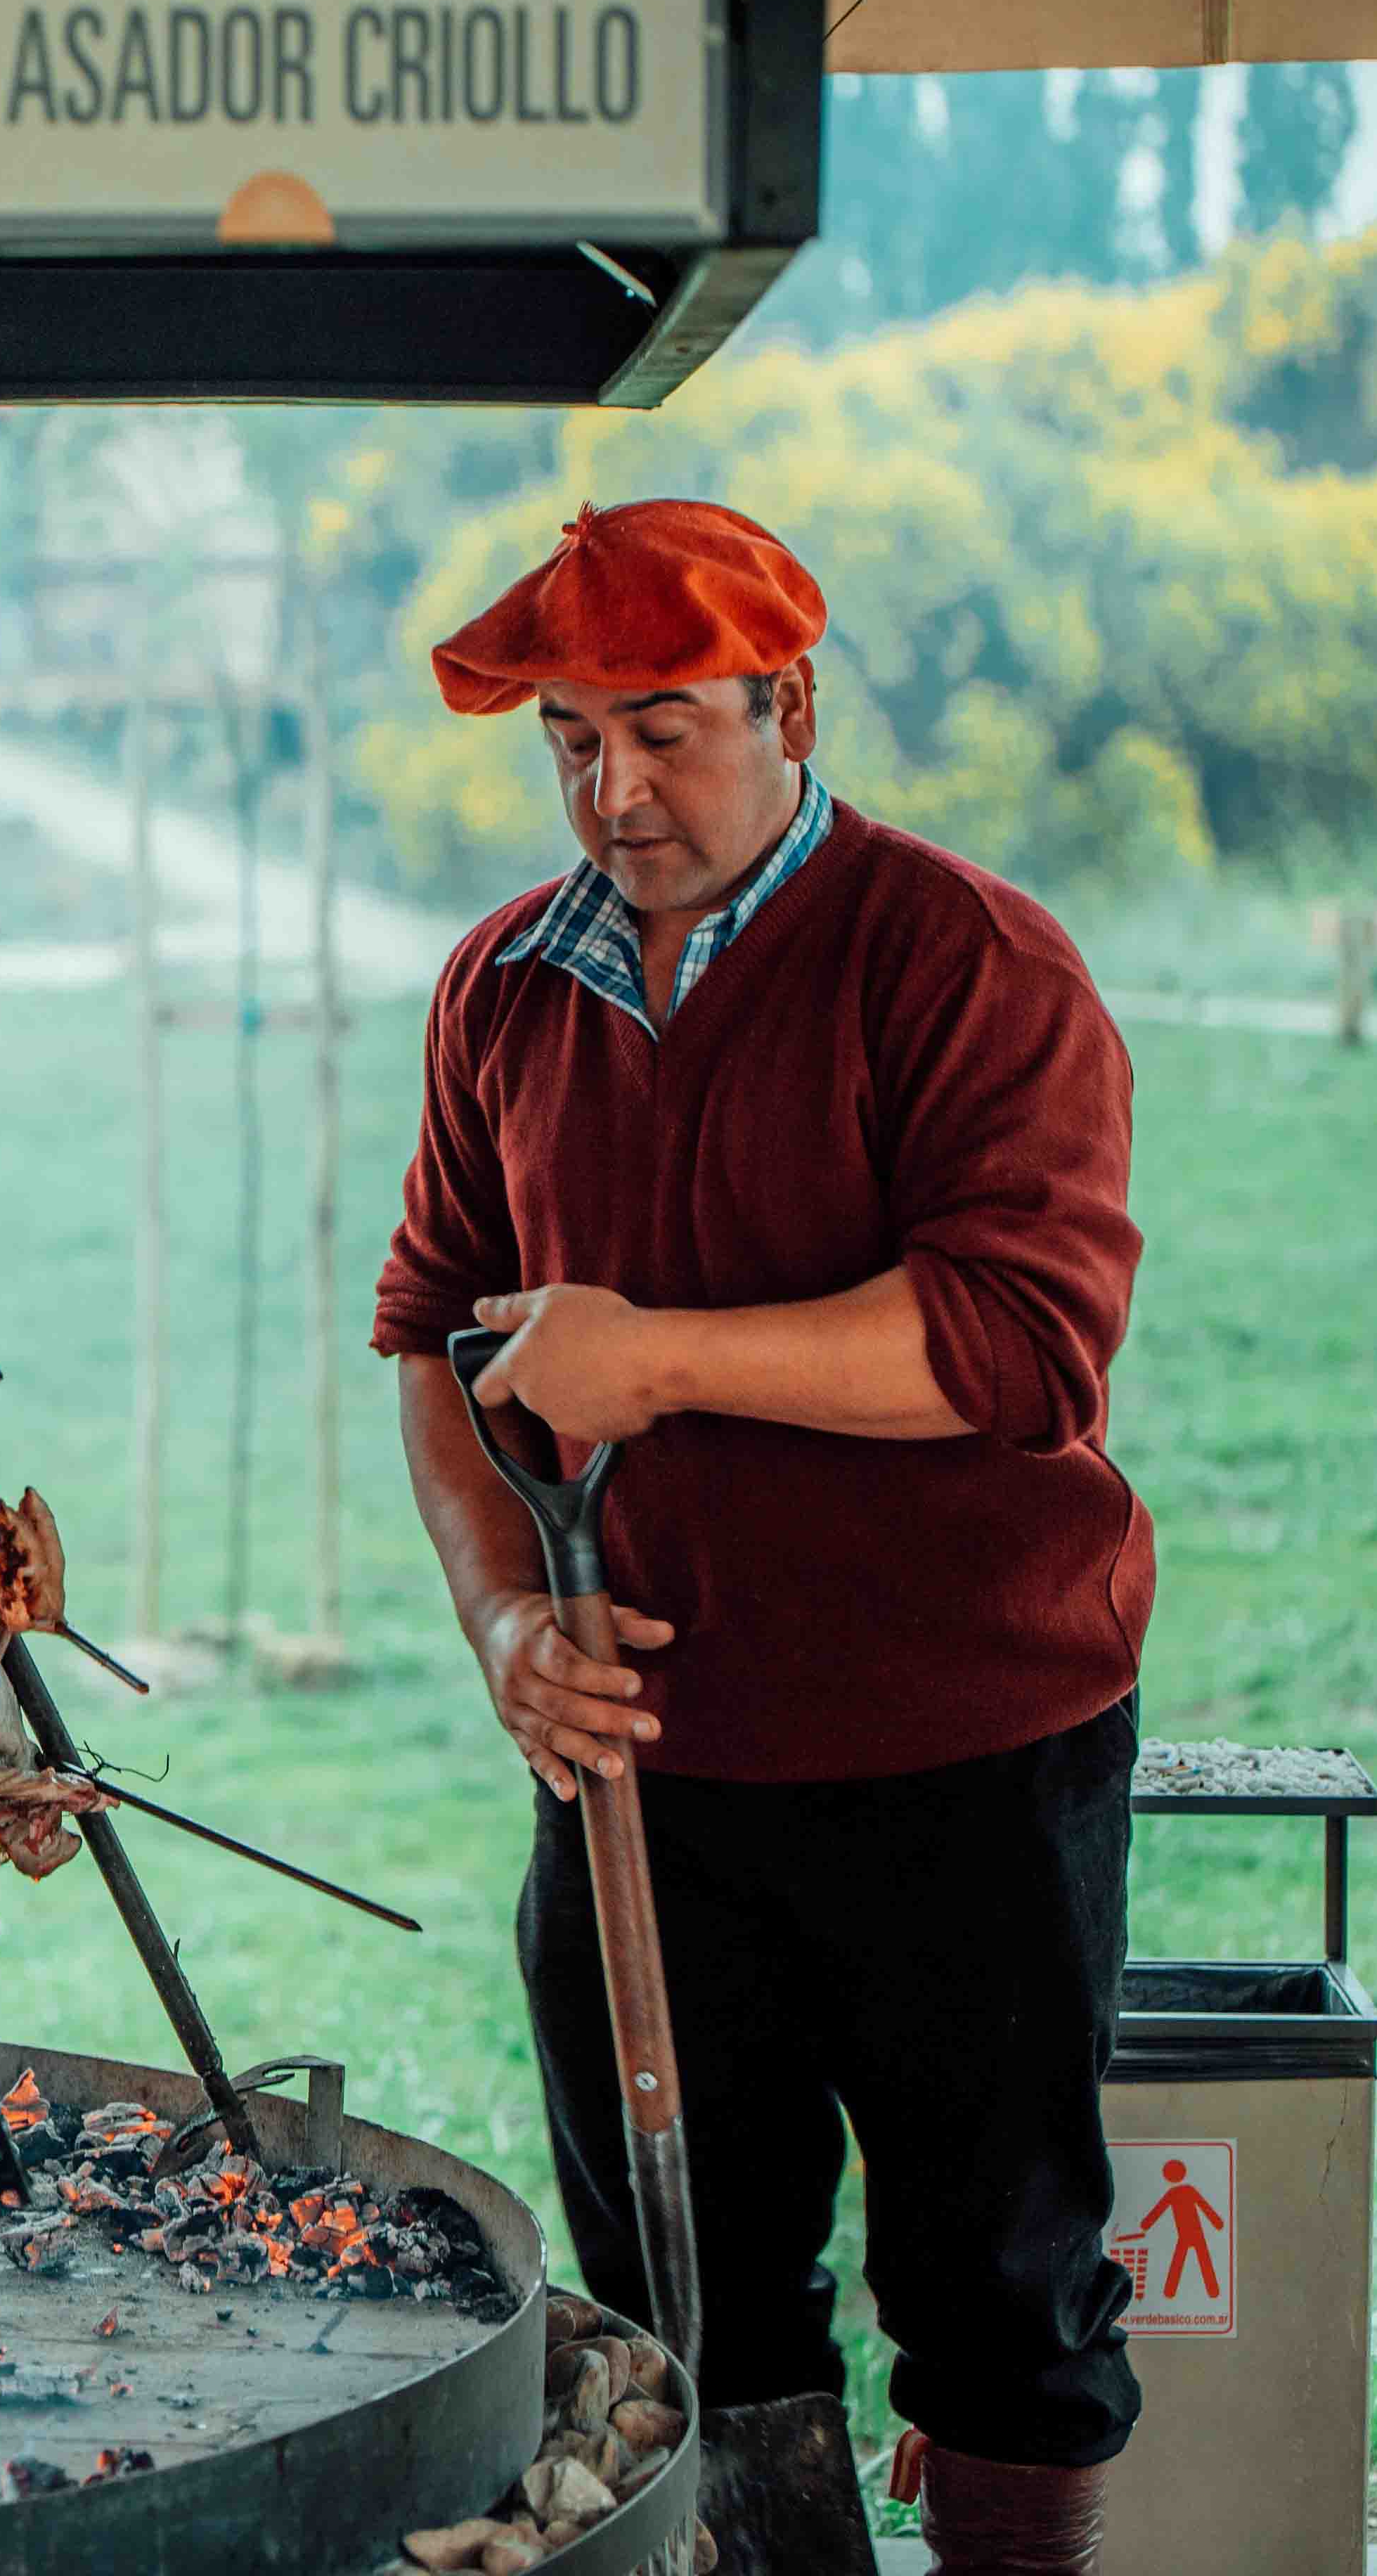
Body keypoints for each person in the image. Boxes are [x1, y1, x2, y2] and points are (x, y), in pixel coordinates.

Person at [371, 502, 1147, 2576]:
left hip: (962, 1748)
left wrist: (660, 1360)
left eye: (663, 729)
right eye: (566, 741)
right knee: (687, 2312)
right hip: (644, 1773)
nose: (611, 790)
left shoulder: (964, 957)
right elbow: (431, 1336)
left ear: (788, 705)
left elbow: (1020, 1342)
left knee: (1004, 2293)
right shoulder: (501, 991)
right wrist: (504, 1619)